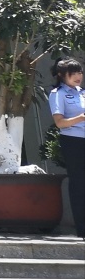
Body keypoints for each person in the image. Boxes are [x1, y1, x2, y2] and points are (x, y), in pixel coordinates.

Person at [50, 58, 85, 238]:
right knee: (79, 183)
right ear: (61, 75)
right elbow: (60, 123)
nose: (78, 76)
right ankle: (82, 229)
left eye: (80, 72)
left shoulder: (83, 92)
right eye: (73, 73)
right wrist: (82, 117)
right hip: (73, 141)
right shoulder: (58, 94)